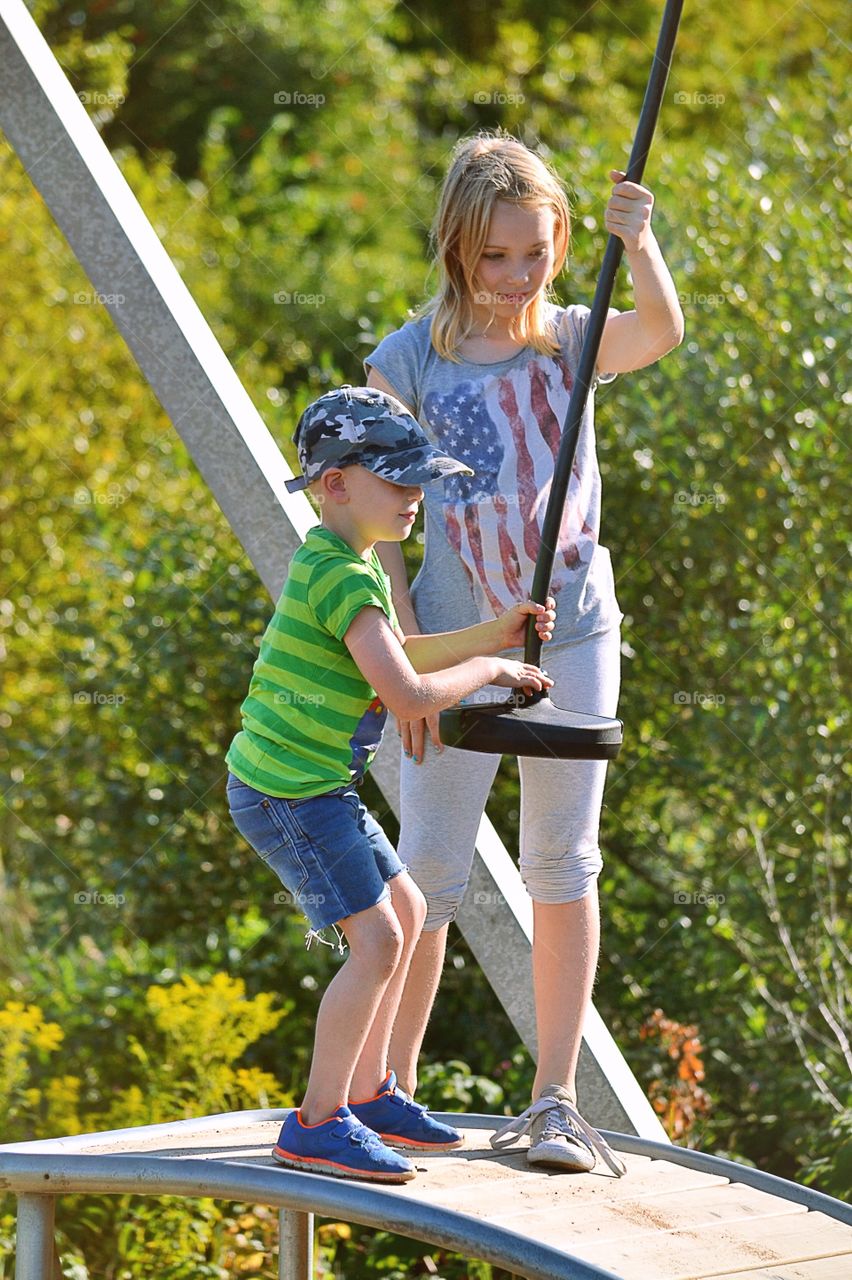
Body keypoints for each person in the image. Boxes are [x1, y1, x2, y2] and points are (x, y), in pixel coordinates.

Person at [363, 130, 684, 1175]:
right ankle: (388, 1092)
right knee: (430, 870)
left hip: (575, 628)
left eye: (535, 253)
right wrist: (405, 660)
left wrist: (635, 242)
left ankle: (553, 1099)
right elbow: (377, 529)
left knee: (560, 861)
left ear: (557, 245)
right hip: (455, 644)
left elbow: (665, 330)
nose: (513, 278)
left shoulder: (575, 336)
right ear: (458, 248)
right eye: (492, 257)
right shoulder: (406, 359)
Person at [225, 384, 556, 1183]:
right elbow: (407, 696)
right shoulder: (341, 575)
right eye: (398, 481)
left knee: (406, 911)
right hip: (288, 794)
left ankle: (371, 1096)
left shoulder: (343, 561)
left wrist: (493, 631)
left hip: (315, 787)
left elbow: (397, 652)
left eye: (418, 482)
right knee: (375, 944)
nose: (415, 498)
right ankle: (316, 1122)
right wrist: (489, 668)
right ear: (336, 482)